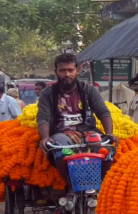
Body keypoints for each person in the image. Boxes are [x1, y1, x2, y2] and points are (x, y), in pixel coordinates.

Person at [36, 53, 116, 187]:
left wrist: (109, 133)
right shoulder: (48, 93)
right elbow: (43, 116)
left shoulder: (88, 90)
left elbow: (103, 111)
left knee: (108, 151)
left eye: (70, 70)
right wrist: (45, 137)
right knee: (60, 150)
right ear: (56, 71)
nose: (66, 74)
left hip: (87, 131)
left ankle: (98, 187)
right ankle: (71, 186)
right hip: (61, 133)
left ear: (77, 71)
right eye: (62, 71)